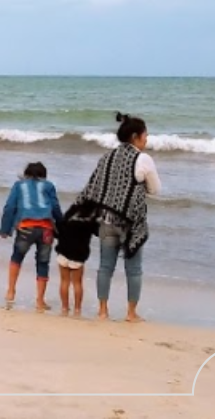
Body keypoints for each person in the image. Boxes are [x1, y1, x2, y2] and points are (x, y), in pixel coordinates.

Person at [72, 112, 161, 322]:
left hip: (107, 221)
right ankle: (131, 313)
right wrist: (139, 190)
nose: (146, 140)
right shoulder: (143, 159)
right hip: (130, 225)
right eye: (145, 136)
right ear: (135, 137)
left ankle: (102, 311)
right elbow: (155, 189)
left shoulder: (106, 158)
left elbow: (94, 187)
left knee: (105, 267)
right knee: (134, 269)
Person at [0, 162, 64, 312]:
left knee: (17, 258)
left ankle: (10, 292)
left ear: (27, 173)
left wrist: (5, 229)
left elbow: (10, 207)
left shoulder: (19, 185)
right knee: (43, 263)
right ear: (43, 174)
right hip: (46, 229)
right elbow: (55, 208)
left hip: (25, 227)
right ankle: (40, 301)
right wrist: (61, 229)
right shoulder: (49, 186)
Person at [54, 202, 94, 318]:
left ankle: (64, 308)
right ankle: (77, 309)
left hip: (63, 253)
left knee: (64, 281)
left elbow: (57, 233)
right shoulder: (88, 223)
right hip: (78, 256)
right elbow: (96, 232)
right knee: (77, 283)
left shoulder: (66, 220)